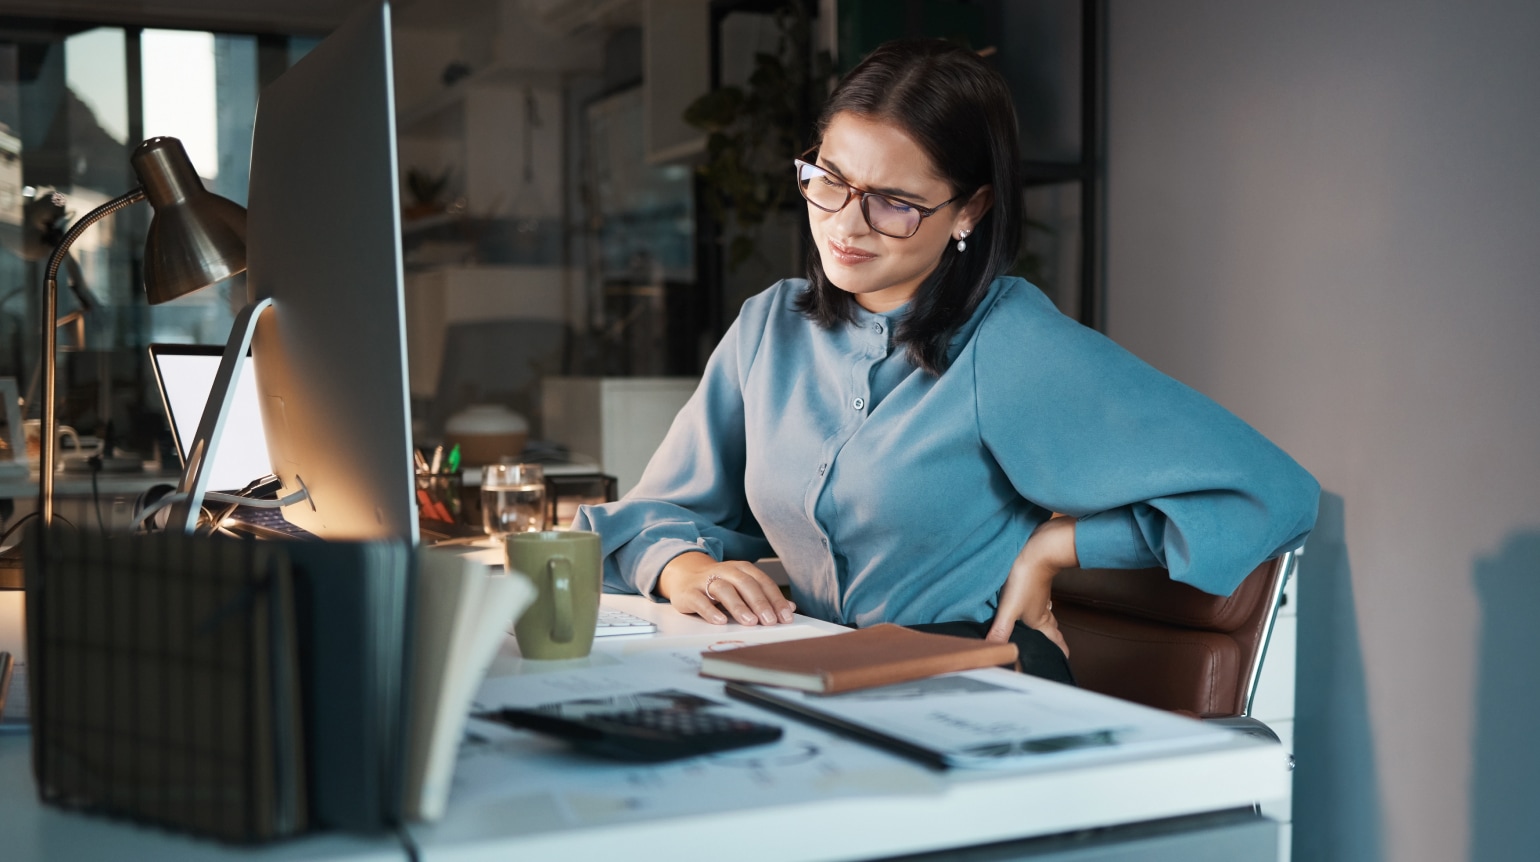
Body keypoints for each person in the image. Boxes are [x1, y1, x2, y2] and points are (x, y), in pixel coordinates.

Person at [574, 40, 1319, 682]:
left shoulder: (1008, 341)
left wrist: (1053, 547)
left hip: (970, 678)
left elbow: (1272, 494)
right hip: (811, 665)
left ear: (969, 209)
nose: (845, 224)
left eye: (894, 202)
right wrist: (685, 567)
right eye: (829, 180)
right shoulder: (770, 327)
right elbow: (656, 513)